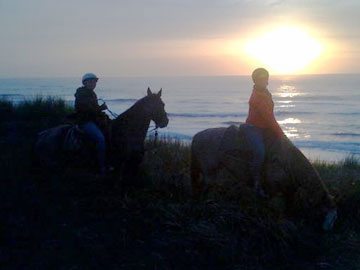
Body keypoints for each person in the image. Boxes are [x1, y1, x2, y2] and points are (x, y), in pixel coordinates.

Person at [241, 68, 284, 197]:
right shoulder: (257, 97)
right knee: (260, 152)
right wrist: (281, 133)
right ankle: (255, 183)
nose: (263, 81)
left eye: (265, 78)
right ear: (255, 81)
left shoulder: (266, 93)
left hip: (264, 128)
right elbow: (269, 118)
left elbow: (270, 116)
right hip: (254, 128)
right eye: (260, 79)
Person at [74, 73, 109, 176]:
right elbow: (87, 110)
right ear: (85, 83)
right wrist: (101, 108)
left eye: (94, 81)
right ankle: (101, 166)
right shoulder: (81, 94)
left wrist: (101, 112)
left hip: (93, 120)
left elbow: (94, 110)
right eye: (91, 81)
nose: (93, 83)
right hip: (85, 121)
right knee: (100, 138)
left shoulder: (92, 94)